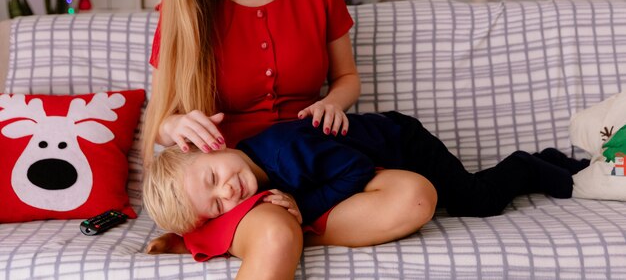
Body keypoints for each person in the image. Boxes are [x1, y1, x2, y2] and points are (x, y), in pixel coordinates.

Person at [141, 0, 436, 279]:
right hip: (240, 183)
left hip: (317, 162)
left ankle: (275, 232)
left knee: (416, 196)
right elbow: (158, 123)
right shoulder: (183, 10)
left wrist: (334, 103)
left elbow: (347, 79)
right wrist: (175, 127)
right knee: (276, 235)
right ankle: (261, 230)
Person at [143, 111, 589, 261]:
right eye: (217, 204)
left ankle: (531, 165)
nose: (229, 193)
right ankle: (537, 163)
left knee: (477, 201)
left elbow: (355, 170)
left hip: (402, 143)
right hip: (370, 159)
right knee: (469, 199)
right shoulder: (249, 171)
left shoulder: (283, 151)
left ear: (213, 143)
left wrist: (303, 202)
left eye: (214, 178)